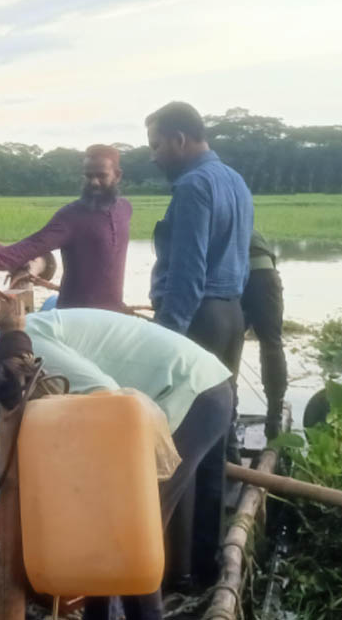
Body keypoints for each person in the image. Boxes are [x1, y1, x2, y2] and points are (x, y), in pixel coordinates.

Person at [0, 308, 233, 620]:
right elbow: (16, 459)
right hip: (156, 398)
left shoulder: (31, 345)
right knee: (104, 524)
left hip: (191, 391)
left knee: (134, 529)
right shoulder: (11, 365)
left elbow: (104, 393)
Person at [145, 101, 253, 591]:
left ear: (179, 139)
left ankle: (177, 570)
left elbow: (186, 272)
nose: (154, 156)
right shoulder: (234, 179)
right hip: (230, 314)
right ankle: (206, 565)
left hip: (199, 317)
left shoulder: (193, 186)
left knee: (180, 444)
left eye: (156, 145)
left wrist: (166, 337)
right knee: (214, 439)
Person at [0, 145, 132, 311]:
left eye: (101, 176)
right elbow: (32, 245)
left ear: (117, 176)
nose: (94, 182)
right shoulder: (71, 216)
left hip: (113, 314)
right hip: (74, 315)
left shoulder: (125, 209)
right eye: (88, 176)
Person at [243, 230, 287, 438]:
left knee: (227, 344)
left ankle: (226, 417)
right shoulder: (240, 211)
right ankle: (274, 419)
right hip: (267, 276)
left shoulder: (204, 209)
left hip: (237, 275)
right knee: (272, 344)